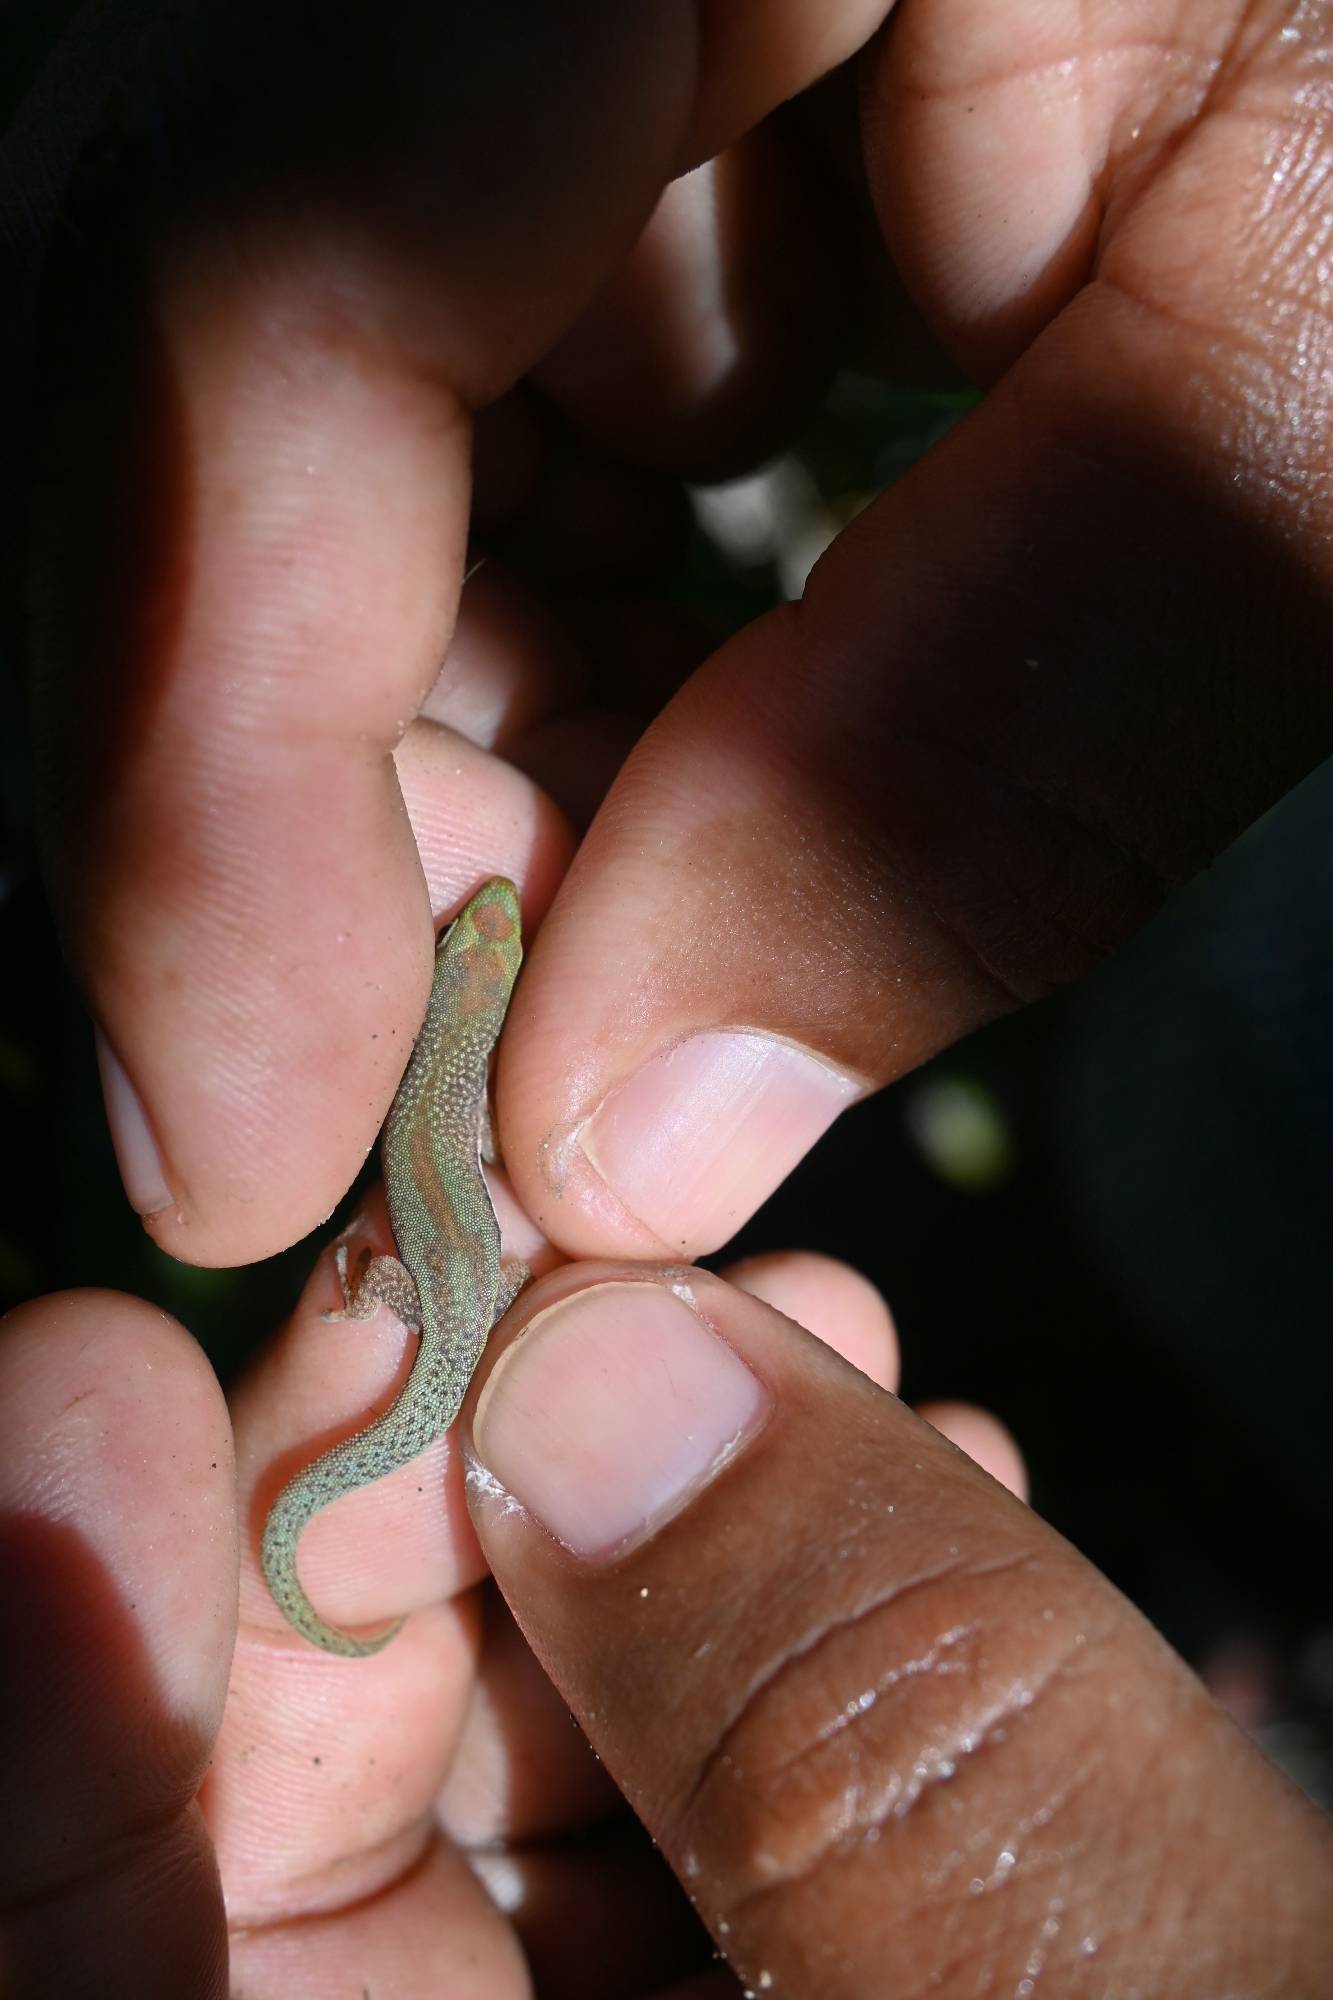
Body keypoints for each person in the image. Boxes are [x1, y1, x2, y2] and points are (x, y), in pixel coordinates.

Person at [3, 3, 1331, 1992]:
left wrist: (395, 1275)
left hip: (449, 1297)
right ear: (491, 961)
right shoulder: (470, 1026)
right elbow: (428, 1148)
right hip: (450, 1298)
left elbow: (424, 1144)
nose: (486, 948)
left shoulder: (460, 1032)